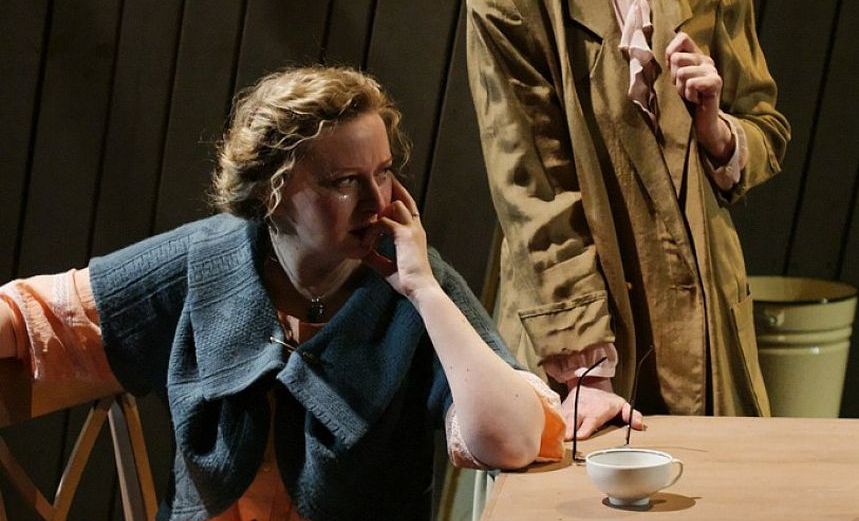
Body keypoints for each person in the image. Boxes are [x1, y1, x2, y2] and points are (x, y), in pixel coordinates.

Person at [0, 66, 564, 521]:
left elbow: (512, 441)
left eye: (384, 172)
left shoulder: (415, 281)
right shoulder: (207, 260)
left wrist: (425, 292)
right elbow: (33, 316)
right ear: (272, 191)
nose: (378, 202)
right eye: (344, 182)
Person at [465, 0, 791, 440]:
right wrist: (585, 370)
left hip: (709, 320)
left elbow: (764, 124)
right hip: (591, 335)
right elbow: (534, 189)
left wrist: (717, 132)